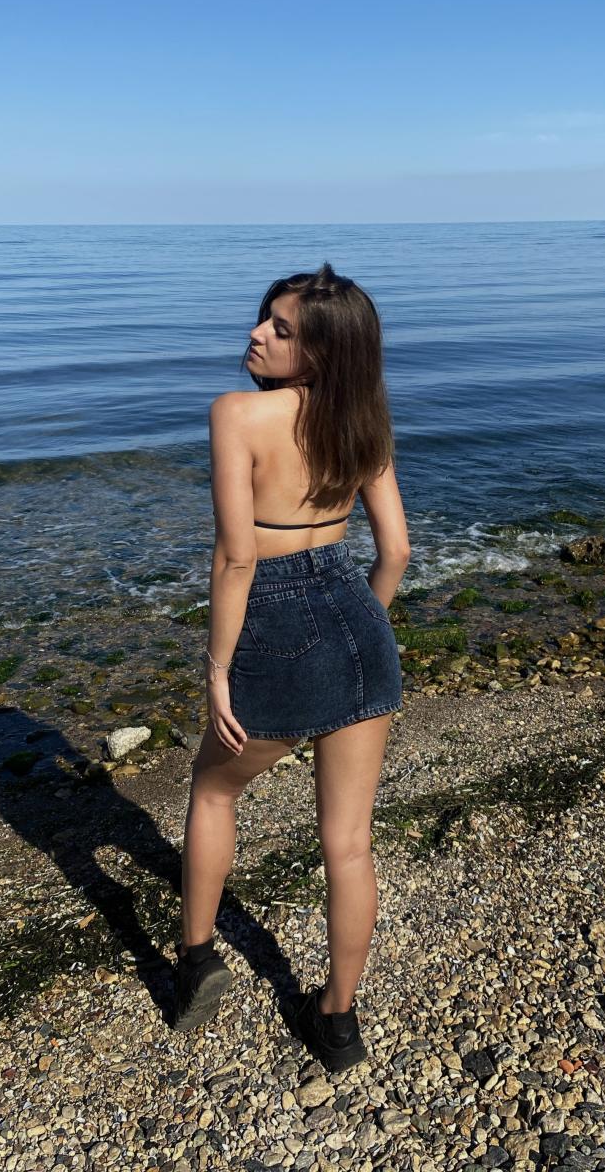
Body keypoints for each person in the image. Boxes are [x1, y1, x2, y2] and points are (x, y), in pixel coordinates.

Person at [172, 262, 411, 1071]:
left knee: (214, 788)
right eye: (263, 318)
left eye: (281, 329)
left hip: (272, 619)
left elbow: (237, 560)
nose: (257, 334)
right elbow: (396, 551)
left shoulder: (237, 414)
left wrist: (217, 668)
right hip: (357, 614)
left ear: (320, 351)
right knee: (348, 844)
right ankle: (336, 1023)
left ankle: (196, 960)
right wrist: (361, 628)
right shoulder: (364, 419)